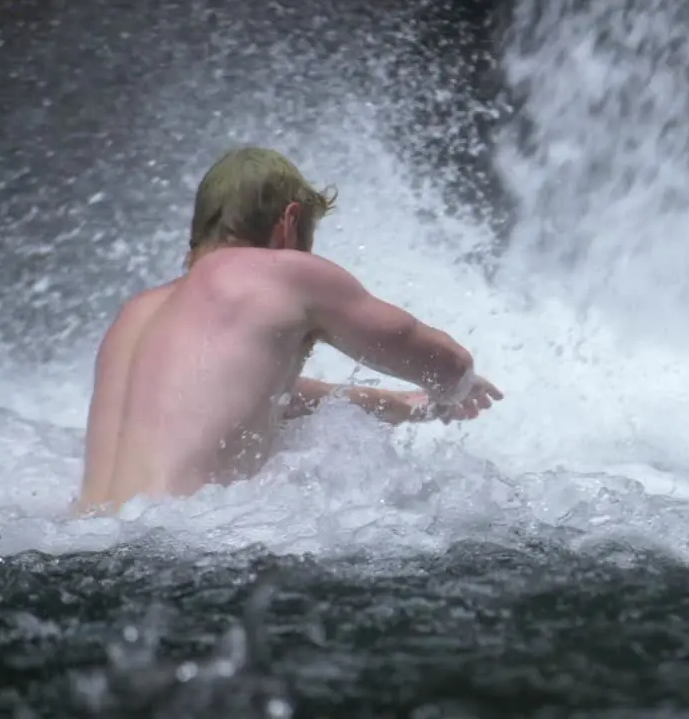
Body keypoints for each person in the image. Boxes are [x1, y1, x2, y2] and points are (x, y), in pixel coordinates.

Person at [76, 147, 501, 513]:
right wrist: (457, 387)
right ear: (290, 221)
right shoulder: (282, 275)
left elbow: (254, 395)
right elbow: (446, 363)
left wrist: (405, 405)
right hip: (180, 551)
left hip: (89, 546)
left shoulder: (138, 313)